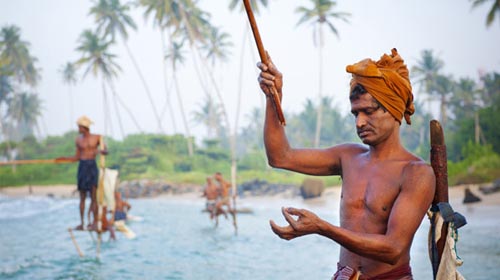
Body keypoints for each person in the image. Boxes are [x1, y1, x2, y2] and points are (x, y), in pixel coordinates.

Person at [257, 48, 435, 279]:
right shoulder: (349, 157)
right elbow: (280, 157)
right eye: (355, 114)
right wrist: (274, 96)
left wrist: (322, 227)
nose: (360, 122)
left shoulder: (416, 173)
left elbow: (393, 249)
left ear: (393, 110)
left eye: (368, 112)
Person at [57, 115, 108, 231]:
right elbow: (77, 157)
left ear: (84, 127)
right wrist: (64, 159)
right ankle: (81, 223)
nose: (78, 129)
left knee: (94, 197)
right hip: (82, 167)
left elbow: (105, 150)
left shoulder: (97, 138)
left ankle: (95, 222)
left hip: (92, 166)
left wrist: (100, 151)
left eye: (79, 127)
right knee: (82, 198)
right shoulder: (78, 140)